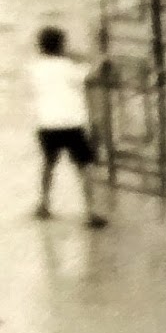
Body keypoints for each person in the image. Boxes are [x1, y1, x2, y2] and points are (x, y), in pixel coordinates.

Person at [30, 26, 108, 228]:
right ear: (62, 45)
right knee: (84, 167)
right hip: (72, 124)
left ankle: (44, 204)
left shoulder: (35, 68)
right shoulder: (69, 67)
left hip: (47, 124)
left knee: (48, 164)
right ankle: (91, 212)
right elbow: (91, 73)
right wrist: (100, 58)